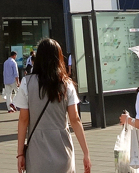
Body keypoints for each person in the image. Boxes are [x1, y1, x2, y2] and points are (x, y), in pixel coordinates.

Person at [14, 38, 91, 173]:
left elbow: (23, 120)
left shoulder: (27, 83)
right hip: (62, 147)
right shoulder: (67, 84)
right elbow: (75, 119)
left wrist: (20, 154)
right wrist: (86, 153)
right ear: (59, 58)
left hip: (36, 150)